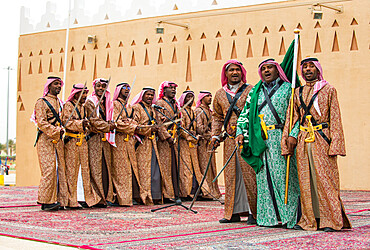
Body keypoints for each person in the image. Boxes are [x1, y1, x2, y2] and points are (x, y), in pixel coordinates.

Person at [281, 57, 351, 232]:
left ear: (318, 69)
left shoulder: (328, 90)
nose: (307, 70)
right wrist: (289, 138)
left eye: (311, 66)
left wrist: (335, 144)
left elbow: (335, 117)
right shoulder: (296, 92)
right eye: (304, 67)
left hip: (322, 138)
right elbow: (293, 118)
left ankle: (332, 220)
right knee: (306, 180)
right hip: (304, 139)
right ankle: (310, 220)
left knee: (326, 179)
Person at [236, 59, 300, 228]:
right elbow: (246, 113)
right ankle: (268, 217)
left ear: (277, 70)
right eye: (263, 68)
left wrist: (293, 135)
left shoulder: (288, 89)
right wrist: (240, 132)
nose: (266, 71)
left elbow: (296, 114)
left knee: (284, 178)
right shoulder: (255, 91)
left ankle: (288, 217)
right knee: (264, 180)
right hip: (260, 139)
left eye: (270, 67)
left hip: (281, 137)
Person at [210, 60, 257, 224]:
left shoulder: (251, 90)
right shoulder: (219, 94)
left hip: (247, 139)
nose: (235, 73)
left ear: (242, 72)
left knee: (250, 174)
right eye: (231, 70)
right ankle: (233, 212)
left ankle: (254, 212)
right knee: (231, 176)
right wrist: (215, 136)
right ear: (226, 74)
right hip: (230, 140)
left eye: (237, 70)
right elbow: (217, 117)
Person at [31, 76, 68, 210]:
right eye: (56, 84)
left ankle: (60, 200)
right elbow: (41, 122)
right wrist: (55, 130)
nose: (58, 86)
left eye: (60, 84)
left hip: (58, 140)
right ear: (49, 86)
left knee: (60, 169)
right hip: (46, 140)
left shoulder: (60, 103)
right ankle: (46, 201)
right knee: (49, 169)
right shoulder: (41, 102)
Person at [62, 84, 100, 208]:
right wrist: (80, 123)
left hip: (82, 141)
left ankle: (84, 198)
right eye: (82, 93)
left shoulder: (83, 107)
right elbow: (66, 122)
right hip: (72, 141)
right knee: (72, 170)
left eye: (85, 93)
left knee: (84, 170)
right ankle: (71, 199)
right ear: (76, 94)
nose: (84, 96)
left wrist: (87, 124)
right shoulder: (68, 106)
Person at [132, 87, 171, 205]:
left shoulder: (153, 109)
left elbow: (158, 125)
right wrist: (149, 129)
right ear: (142, 95)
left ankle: (154, 196)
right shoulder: (137, 108)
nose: (149, 97)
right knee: (143, 171)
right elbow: (134, 125)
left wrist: (167, 136)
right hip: (142, 144)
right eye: (147, 95)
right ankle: (142, 196)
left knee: (154, 170)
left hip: (152, 143)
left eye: (151, 95)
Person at [85, 78, 116, 207]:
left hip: (104, 140)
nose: (101, 89)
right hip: (94, 139)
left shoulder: (106, 103)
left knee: (106, 168)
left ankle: (106, 197)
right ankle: (97, 198)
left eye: (104, 87)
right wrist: (108, 126)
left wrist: (110, 124)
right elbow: (93, 121)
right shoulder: (90, 102)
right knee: (95, 168)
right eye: (99, 86)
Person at [177, 90, 211, 200]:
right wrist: (191, 135)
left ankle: (201, 191)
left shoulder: (192, 112)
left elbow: (197, 128)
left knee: (195, 168)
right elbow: (181, 129)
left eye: (192, 97)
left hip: (193, 143)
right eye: (188, 97)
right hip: (184, 142)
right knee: (186, 169)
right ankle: (186, 193)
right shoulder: (181, 112)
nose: (190, 100)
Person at [111, 82, 141, 206]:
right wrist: (131, 124)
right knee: (120, 170)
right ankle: (121, 198)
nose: (127, 90)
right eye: (124, 88)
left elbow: (135, 120)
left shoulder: (129, 107)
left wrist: (129, 122)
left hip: (129, 141)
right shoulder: (114, 104)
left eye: (129, 88)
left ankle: (128, 197)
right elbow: (116, 122)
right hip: (119, 140)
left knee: (130, 169)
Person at [156, 81, 180, 201]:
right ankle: (167, 194)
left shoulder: (175, 104)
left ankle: (175, 193)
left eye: (174, 88)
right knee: (165, 167)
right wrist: (167, 137)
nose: (173, 90)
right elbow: (159, 124)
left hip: (174, 137)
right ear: (164, 90)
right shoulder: (160, 103)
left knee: (174, 167)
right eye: (170, 88)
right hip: (165, 140)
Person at [195, 91, 222, 200]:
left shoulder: (210, 112)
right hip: (203, 143)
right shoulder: (199, 111)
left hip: (210, 142)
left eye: (211, 96)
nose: (210, 98)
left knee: (212, 167)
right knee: (204, 166)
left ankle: (213, 191)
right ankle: (205, 191)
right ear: (201, 98)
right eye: (207, 96)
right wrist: (209, 130)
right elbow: (199, 128)